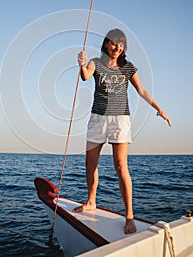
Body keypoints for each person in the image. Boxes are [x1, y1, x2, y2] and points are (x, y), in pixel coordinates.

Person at [72, 28, 171, 234]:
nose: (117, 47)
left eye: (121, 44)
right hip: (97, 118)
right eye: (114, 43)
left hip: (120, 120)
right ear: (107, 44)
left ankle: (129, 215)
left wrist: (159, 108)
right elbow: (85, 76)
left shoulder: (127, 67)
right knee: (90, 163)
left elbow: (141, 90)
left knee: (120, 166)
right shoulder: (95, 63)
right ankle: (91, 202)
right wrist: (81, 64)